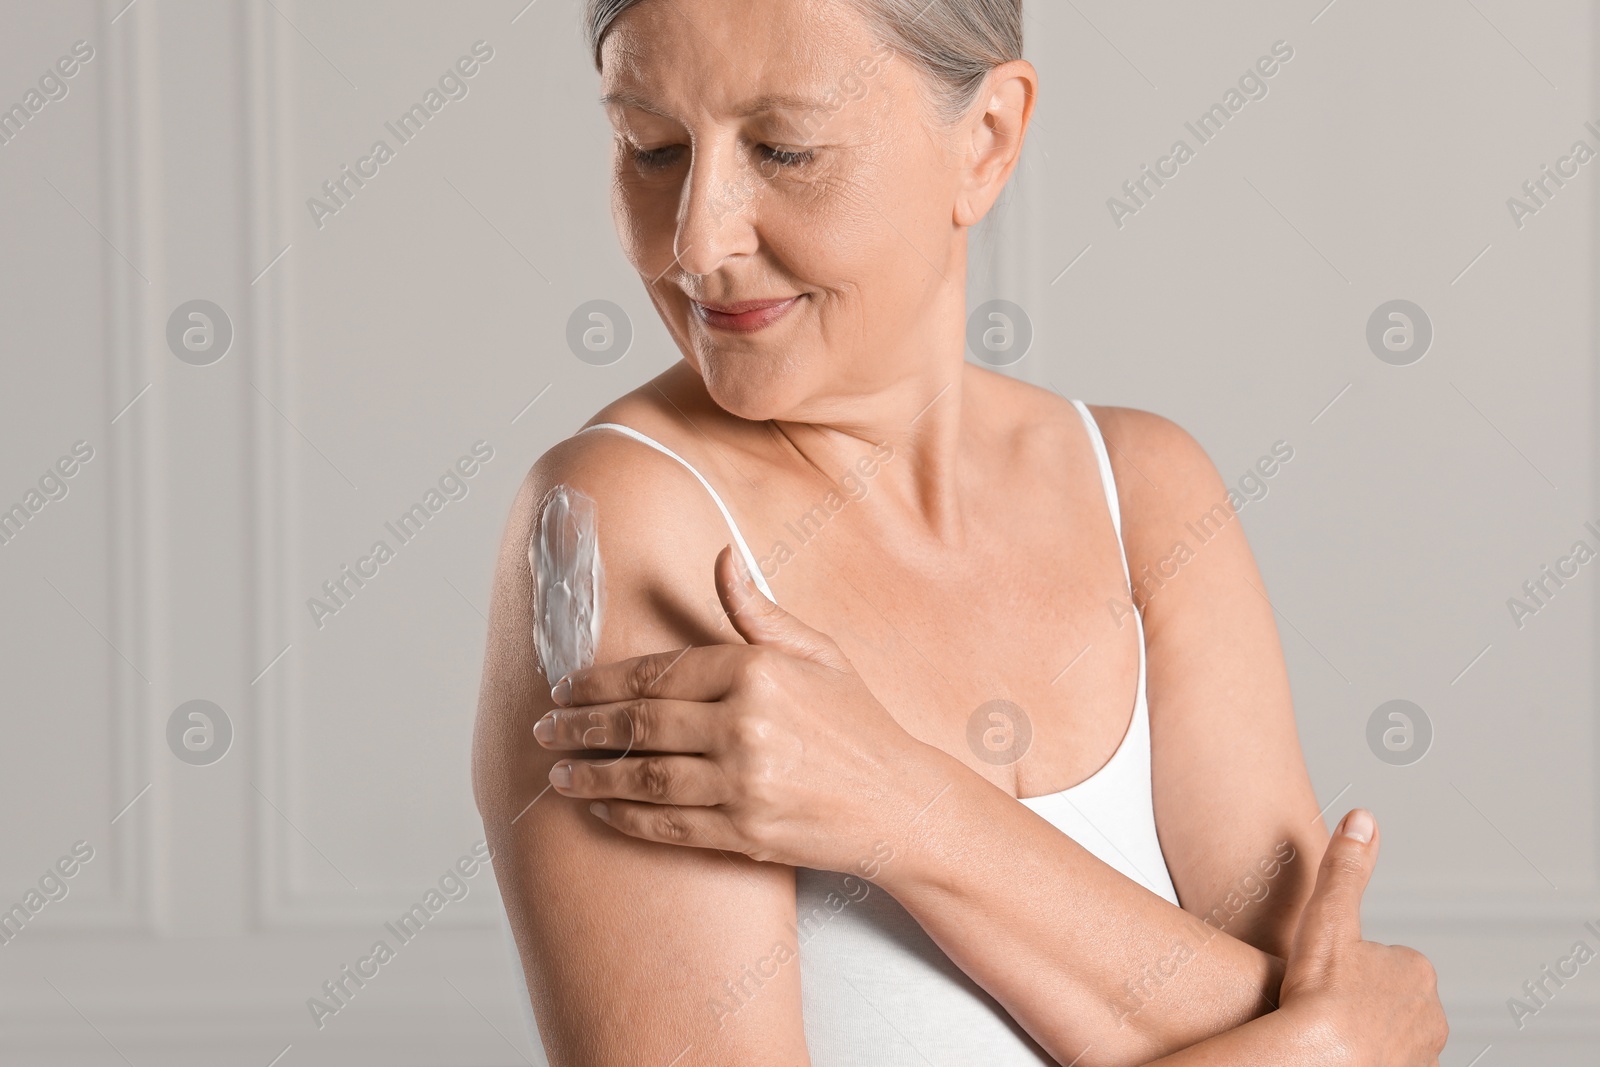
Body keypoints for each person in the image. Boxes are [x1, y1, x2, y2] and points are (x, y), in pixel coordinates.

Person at [471, 0, 1449, 1062]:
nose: (698, 240)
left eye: (785, 148)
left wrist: (902, 801)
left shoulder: (1147, 491)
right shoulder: (618, 524)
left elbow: (1296, 995)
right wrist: (1311, 1049)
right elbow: (1320, 1030)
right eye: (649, 147)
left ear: (985, 139)